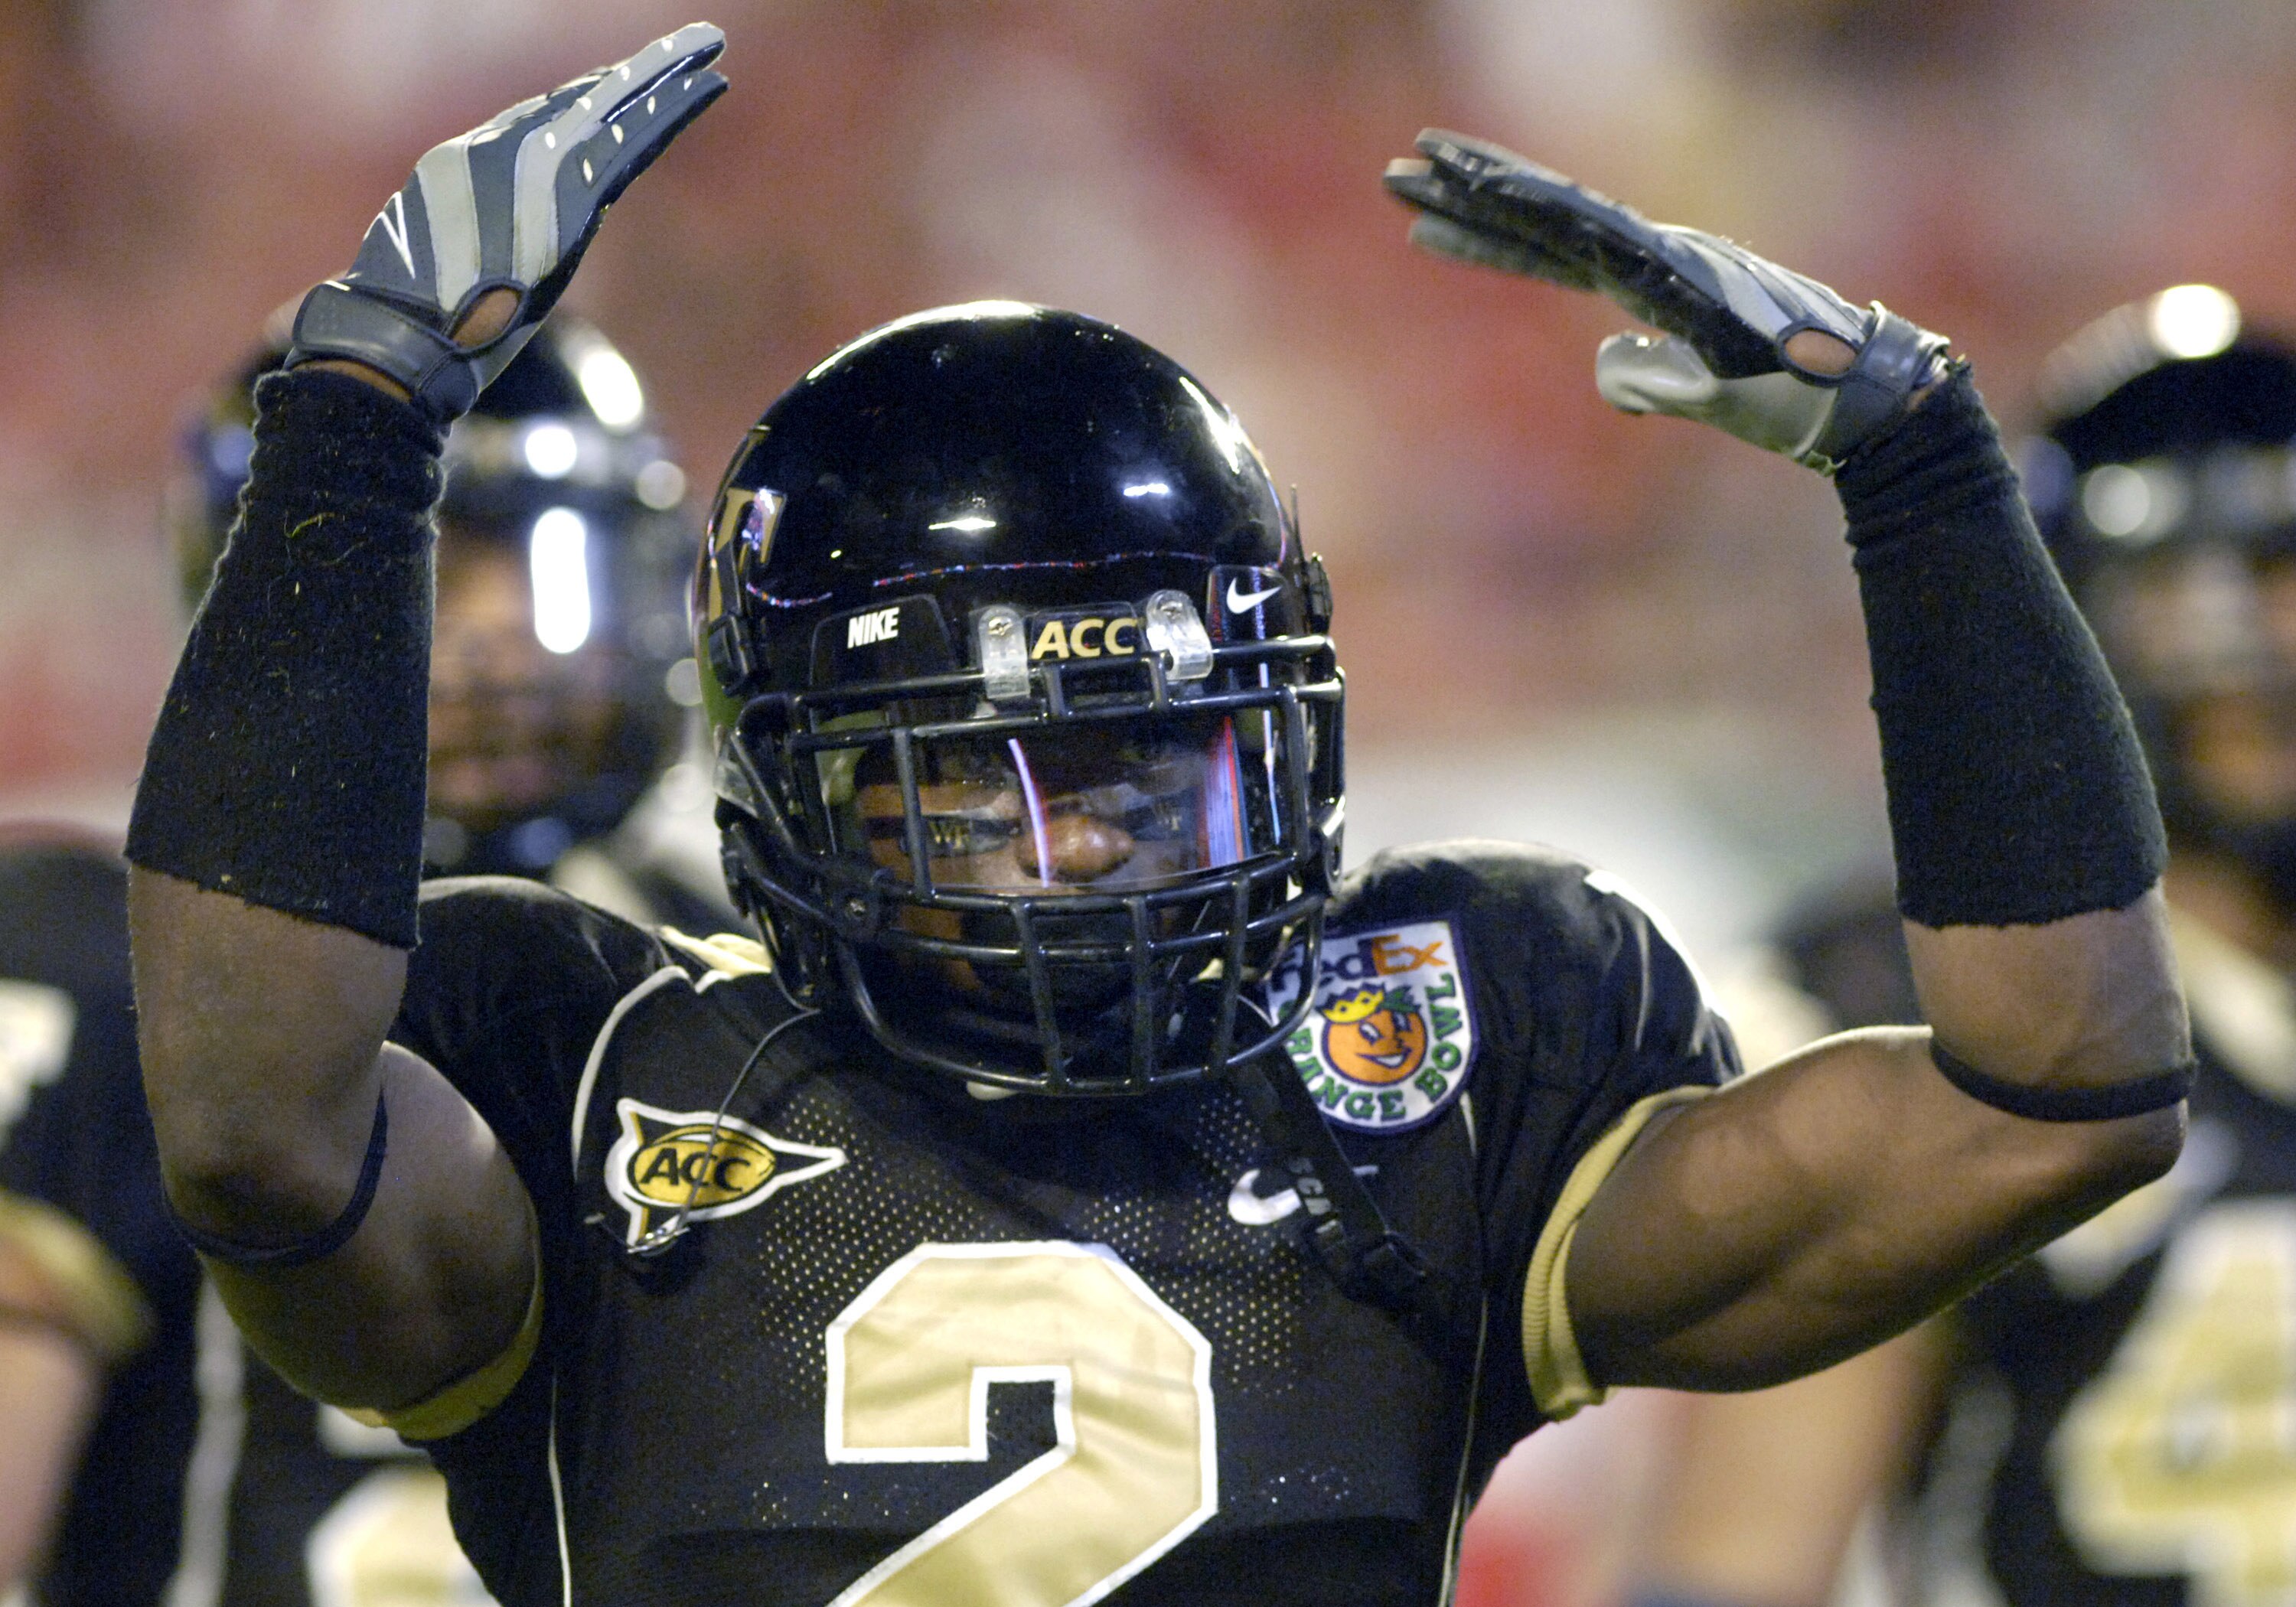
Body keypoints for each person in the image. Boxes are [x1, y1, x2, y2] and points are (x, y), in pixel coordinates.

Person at [123, 25, 2192, 1607]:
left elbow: (2057, 1092)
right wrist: (357, 435)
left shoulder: (1436, 1069)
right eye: (981, 775)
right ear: (793, 779)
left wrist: (1927, 481)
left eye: (1151, 757)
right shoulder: (591, 1067)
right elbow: (254, 1128)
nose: (1089, 835)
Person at [0, 305, 721, 1602]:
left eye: (542, 573)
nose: (497, 648)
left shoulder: (732, 954)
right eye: (433, 582)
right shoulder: (101, 968)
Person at [1626, 285, 2296, 1607]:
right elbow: (1734, 1573)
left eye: (2285, 578)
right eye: (2181, 597)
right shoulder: (1921, 1007)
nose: (2256, 655)